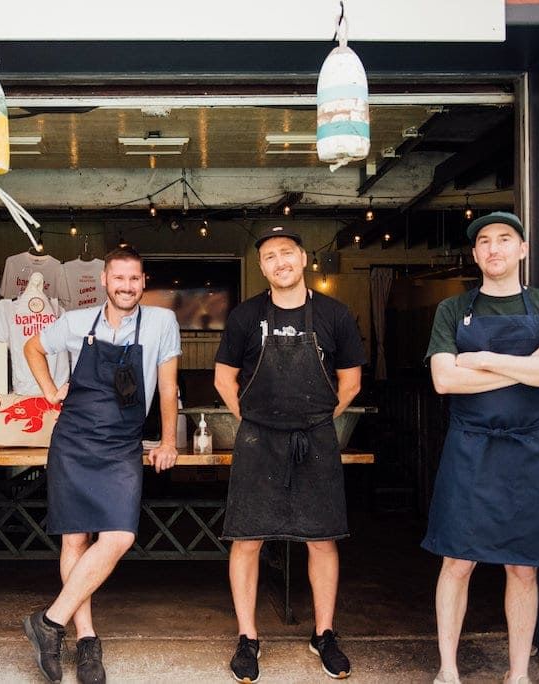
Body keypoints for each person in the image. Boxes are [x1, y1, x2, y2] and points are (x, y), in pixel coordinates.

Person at [423, 211, 539, 684]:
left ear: (522, 249)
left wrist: (487, 359)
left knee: (523, 568)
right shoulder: (453, 310)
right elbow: (445, 380)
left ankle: (518, 673)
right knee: (457, 561)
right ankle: (448, 670)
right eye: (484, 241)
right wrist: (529, 365)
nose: (494, 248)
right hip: (469, 449)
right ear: (475, 255)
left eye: (504, 239)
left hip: (532, 450)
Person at [21, 246, 182, 684]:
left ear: (143, 282)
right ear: (106, 281)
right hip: (74, 439)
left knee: (118, 536)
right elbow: (32, 347)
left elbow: (168, 389)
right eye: (119, 279)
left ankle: (49, 622)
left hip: (122, 444)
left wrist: (168, 441)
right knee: (75, 538)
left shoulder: (162, 322)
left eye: (135, 279)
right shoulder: (76, 323)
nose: (127, 286)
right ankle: (86, 639)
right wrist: (52, 391)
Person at [215, 225, 366, 682]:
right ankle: (248, 637)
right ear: (262, 267)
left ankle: (324, 633)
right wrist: (254, 421)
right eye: (269, 257)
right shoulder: (244, 317)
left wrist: (319, 419)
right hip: (259, 439)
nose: (279, 262)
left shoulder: (336, 315)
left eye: (286, 253)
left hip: (316, 438)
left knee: (322, 539)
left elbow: (351, 382)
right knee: (247, 539)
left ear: (303, 260)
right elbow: (224, 379)